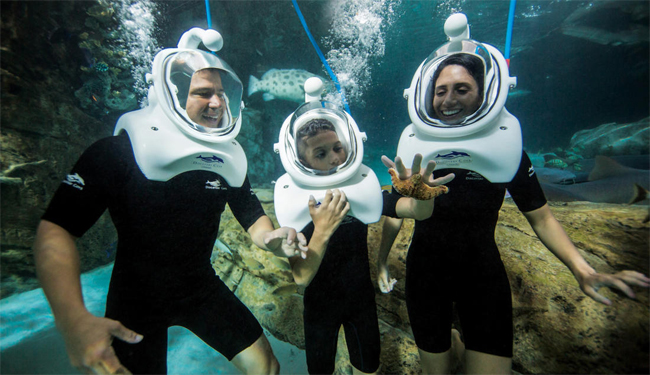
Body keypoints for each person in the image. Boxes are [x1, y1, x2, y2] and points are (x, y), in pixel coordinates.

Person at [378, 14, 650, 374]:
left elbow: (541, 216)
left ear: (485, 91)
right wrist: (384, 257)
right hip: (425, 275)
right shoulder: (417, 153)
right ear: (427, 97)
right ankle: (454, 347)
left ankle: (457, 344)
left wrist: (583, 270)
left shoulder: (506, 150)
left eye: (462, 89)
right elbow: (396, 211)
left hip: (482, 273)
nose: (448, 100)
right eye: (440, 91)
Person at [33, 28, 307, 375]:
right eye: (203, 93)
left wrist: (272, 238)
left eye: (222, 94)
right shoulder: (118, 152)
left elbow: (251, 214)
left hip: (199, 285)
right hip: (136, 297)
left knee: (266, 366)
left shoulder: (224, 158)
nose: (217, 103)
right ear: (171, 96)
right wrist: (72, 320)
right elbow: (56, 229)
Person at [273, 95, 453, 375]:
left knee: (369, 369)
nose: (335, 157)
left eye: (338, 147)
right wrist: (322, 228)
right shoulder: (299, 203)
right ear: (300, 161)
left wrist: (422, 196)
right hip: (320, 309)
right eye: (320, 154)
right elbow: (301, 276)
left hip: (361, 301)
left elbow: (416, 211)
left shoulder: (363, 189)